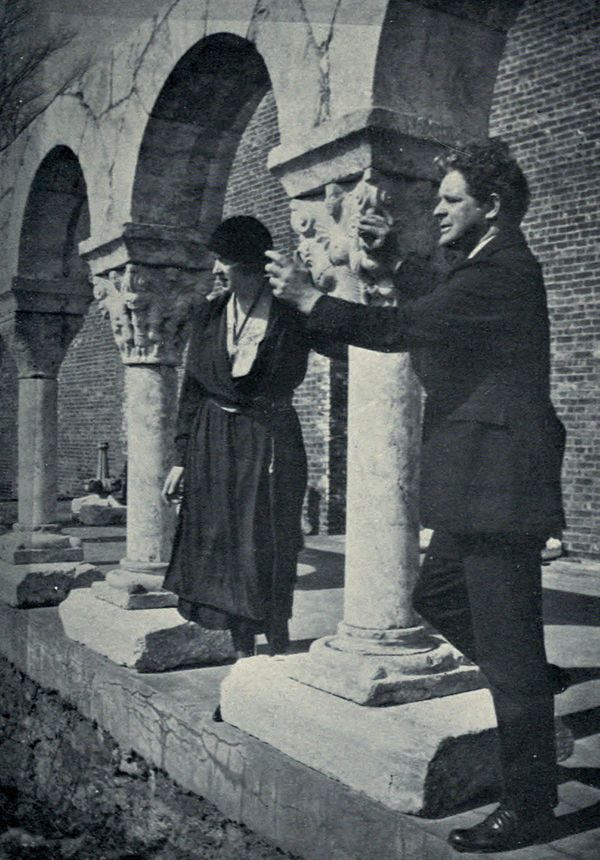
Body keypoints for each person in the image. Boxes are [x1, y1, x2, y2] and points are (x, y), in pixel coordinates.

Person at [266, 140, 568, 853]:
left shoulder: (504, 271)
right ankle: (526, 680)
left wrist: (315, 301)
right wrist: (395, 261)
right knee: (437, 600)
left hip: (499, 486)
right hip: (478, 486)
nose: (436, 207)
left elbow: (408, 327)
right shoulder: (480, 266)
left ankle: (530, 803)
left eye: (450, 198)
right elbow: (430, 308)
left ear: (490, 206)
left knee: (507, 653)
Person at [162, 215, 318, 662]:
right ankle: (242, 649)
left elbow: (339, 343)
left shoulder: (290, 314)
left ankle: (278, 635)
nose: (216, 270)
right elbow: (192, 389)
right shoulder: (209, 314)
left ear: (250, 266)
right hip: (212, 437)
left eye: (225, 262)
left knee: (269, 537)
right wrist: (180, 458)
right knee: (221, 540)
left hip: (268, 438)